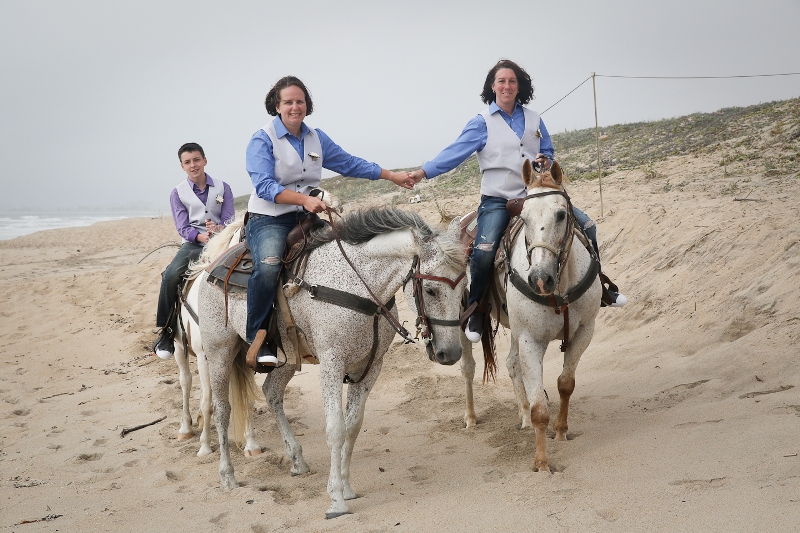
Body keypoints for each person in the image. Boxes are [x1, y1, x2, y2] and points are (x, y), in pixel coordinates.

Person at [408, 59, 626, 344]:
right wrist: (423, 172)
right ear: (492, 86)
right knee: (484, 252)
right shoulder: (481, 122)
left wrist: (545, 159)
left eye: (512, 81)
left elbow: (547, 149)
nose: (507, 86)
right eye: (501, 81)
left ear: (519, 86)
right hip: (497, 200)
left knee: (588, 225)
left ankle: (600, 287)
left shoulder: (534, 119)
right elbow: (453, 154)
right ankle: (476, 310)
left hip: (535, 196)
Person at [245, 75, 416, 368]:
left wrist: (392, 176)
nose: (295, 107)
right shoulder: (262, 139)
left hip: (307, 216)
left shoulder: (316, 137)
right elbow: (264, 186)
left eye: (300, 101)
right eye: (288, 102)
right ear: (277, 106)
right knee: (269, 265)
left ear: (307, 105)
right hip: (269, 218)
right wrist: (304, 200)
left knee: (346, 254)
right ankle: (259, 338)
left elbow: (350, 163)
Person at [153, 143, 235, 359]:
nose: (193, 165)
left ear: (205, 160)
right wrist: (201, 236)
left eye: (196, 160)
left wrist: (219, 229)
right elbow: (182, 227)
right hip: (193, 244)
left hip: (222, 241)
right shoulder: (177, 193)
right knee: (170, 276)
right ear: (182, 166)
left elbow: (229, 218)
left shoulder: (223, 187)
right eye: (187, 162)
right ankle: (166, 331)